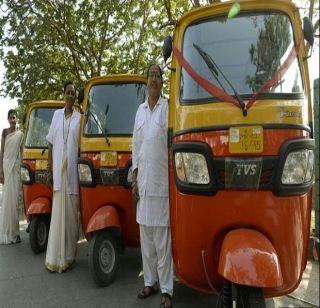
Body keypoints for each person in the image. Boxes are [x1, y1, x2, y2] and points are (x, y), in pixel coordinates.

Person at [132, 64, 173, 308]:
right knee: (146, 239)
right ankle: (150, 282)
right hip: (144, 185)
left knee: (162, 241)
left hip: (161, 185)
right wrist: (134, 177)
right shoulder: (139, 111)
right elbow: (135, 146)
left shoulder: (167, 109)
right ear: (146, 82)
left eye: (158, 76)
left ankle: (167, 289)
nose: (154, 79)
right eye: (151, 76)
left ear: (161, 82)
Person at [45, 81, 81, 273]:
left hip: (73, 175)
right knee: (58, 218)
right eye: (68, 92)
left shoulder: (80, 118)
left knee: (72, 220)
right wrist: (50, 168)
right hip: (59, 174)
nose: (70, 96)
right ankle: (54, 258)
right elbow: (50, 143)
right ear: (63, 95)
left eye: (73, 93)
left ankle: (68, 257)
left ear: (75, 96)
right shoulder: (56, 115)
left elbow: (82, 147)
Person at [0, 109, 23, 244]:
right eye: (11, 118)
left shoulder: (20, 134)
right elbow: (2, 152)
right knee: (7, 201)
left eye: (14, 117)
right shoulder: (4, 132)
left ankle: (15, 232)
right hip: (7, 166)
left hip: (16, 169)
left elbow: (22, 152)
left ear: (16, 119)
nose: (13, 120)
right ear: (8, 119)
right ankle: (7, 232)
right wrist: (1, 172)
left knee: (15, 202)